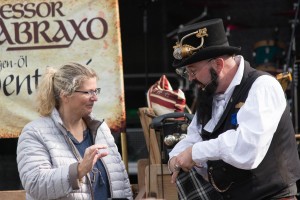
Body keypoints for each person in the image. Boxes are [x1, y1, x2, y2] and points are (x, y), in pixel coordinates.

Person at [168, 18, 300, 200]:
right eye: (187, 72)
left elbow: (247, 149)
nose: (190, 78)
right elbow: (193, 138)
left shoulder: (262, 86)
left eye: (193, 70)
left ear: (218, 64)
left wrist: (195, 153)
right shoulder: (209, 95)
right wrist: (175, 158)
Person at [16, 62, 132, 200]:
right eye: (88, 92)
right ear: (65, 95)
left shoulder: (101, 129)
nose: (95, 98)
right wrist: (79, 170)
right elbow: (35, 185)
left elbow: (122, 184)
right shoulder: (35, 133)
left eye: (96, 91)